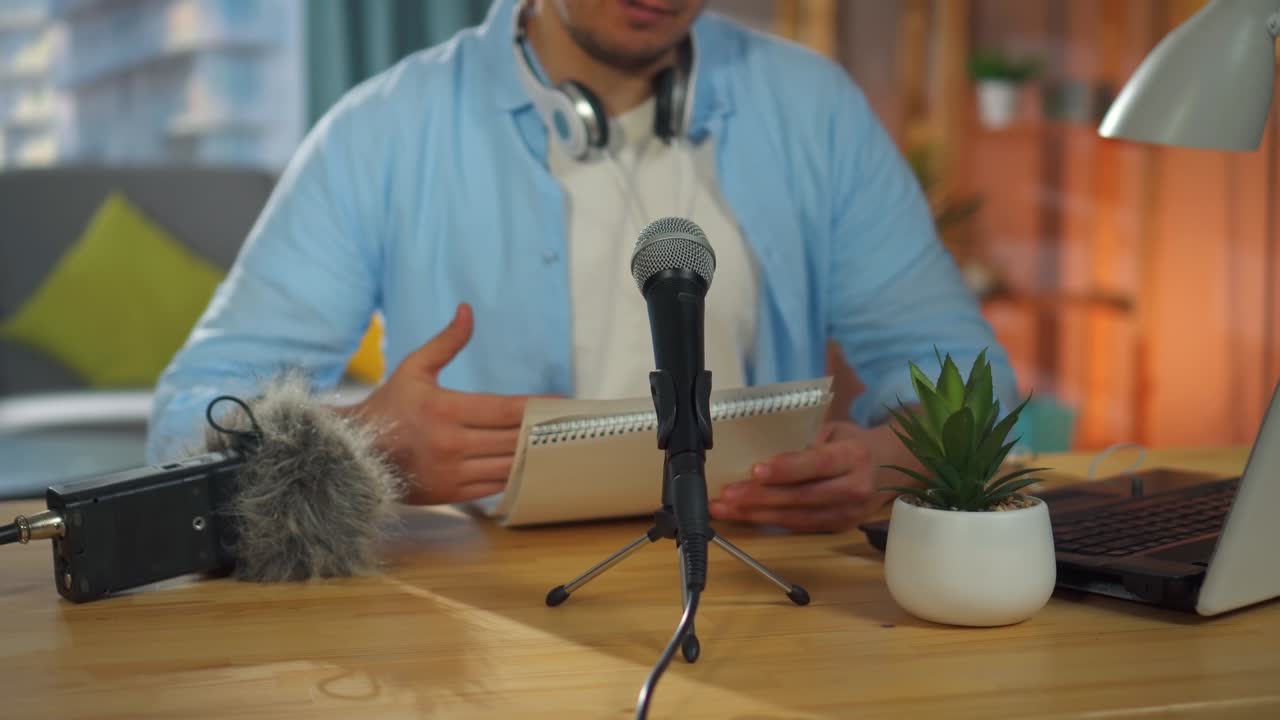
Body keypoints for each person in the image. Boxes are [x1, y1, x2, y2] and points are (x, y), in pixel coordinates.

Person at [147, 0, 1018, 532]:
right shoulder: (380, 128)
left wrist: (886, 459)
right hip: (480, 618)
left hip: (767, 587)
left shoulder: (814, 107)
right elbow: (188, 416)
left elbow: (973, 379)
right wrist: (358, 447)